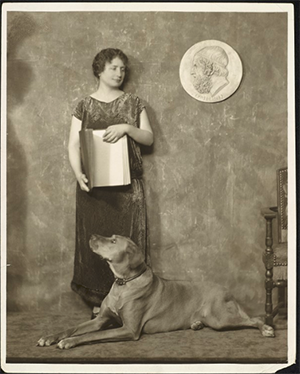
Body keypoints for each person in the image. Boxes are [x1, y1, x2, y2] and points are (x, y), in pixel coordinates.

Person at [68, 48, 154, 318]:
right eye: (114, 68)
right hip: (93, 191)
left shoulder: (133, 102)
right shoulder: (84, 105)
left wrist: (126, 128)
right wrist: (77, 174)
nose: (119, 73)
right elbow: (72, 144)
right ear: (99, 70)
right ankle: (100, 303)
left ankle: (130, 302)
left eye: (123, 69)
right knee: (95, 245)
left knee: (129, 247)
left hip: (129, 192)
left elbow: (149, 138)